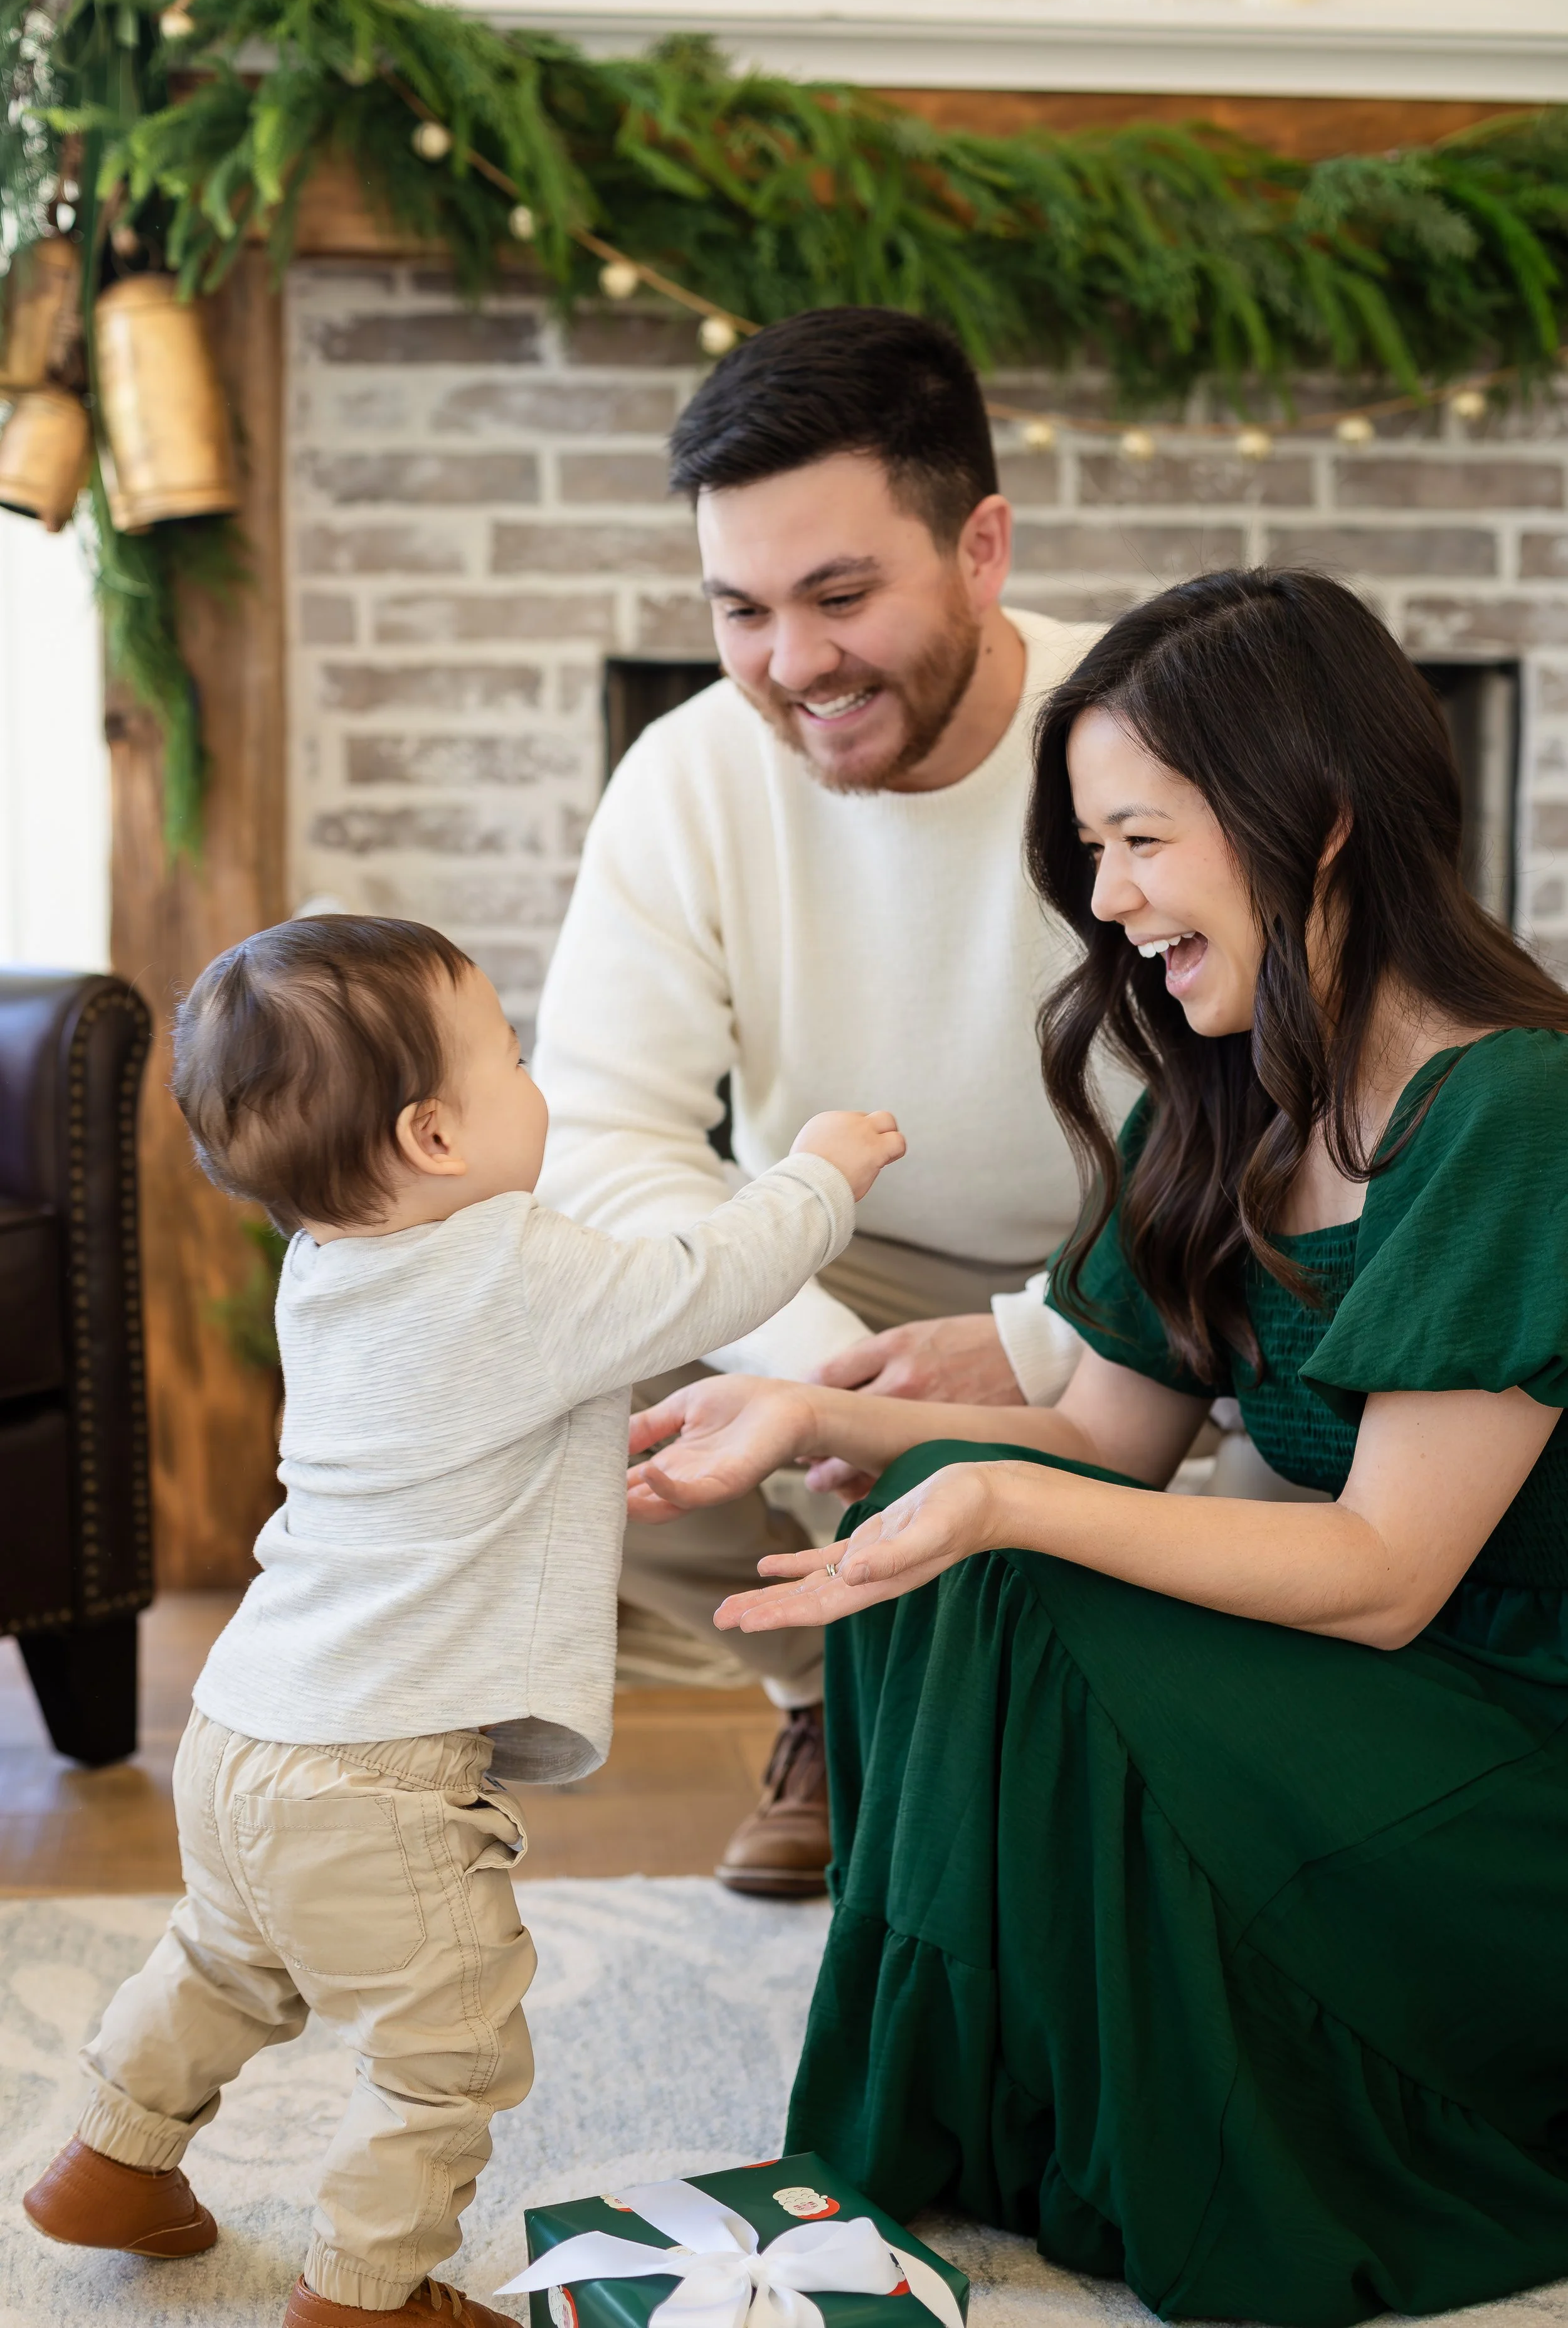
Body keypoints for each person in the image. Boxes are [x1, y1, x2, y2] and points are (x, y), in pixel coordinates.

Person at [625, 570, 1568, 2326]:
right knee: (936, 1506)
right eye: (1091, 852)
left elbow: (1378, 1573)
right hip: (1387, 1715)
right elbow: (1087, 1431)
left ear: (1325, 815)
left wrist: (996, 1497)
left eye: (1139, 840)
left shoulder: (1513, 1109)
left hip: (1513, 1765)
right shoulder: (1237, 1096)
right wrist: (822, 1412)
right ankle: (960, 2105)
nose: (1109, 901)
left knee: (997, 1533)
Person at [22, 916, 903, 2328]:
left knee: (225, 1960)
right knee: (450, 2051)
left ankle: (111, 2158)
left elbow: (503, 1410)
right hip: (375, 1775)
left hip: (244, 1732)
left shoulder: (328, 1270)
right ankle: (366, 2294)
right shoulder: (515, 1269)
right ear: (435, 1136)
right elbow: (706, 1279)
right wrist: (819, 1173)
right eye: (513, 1055)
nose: (536, 1078)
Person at [532, 305, 1103, 1898]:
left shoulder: (1150, 733)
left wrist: (1048, 1338)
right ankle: (822, 1704)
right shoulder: (689, 774)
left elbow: (1289, 1145)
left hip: (1131, 1283)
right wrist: (816, 1376)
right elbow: (598, 1138)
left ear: (979, 547)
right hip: (820, 1273)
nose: (792, 667)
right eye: (741, 609)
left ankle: (1036, 1721)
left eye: (841, 595)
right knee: (536, 1373)